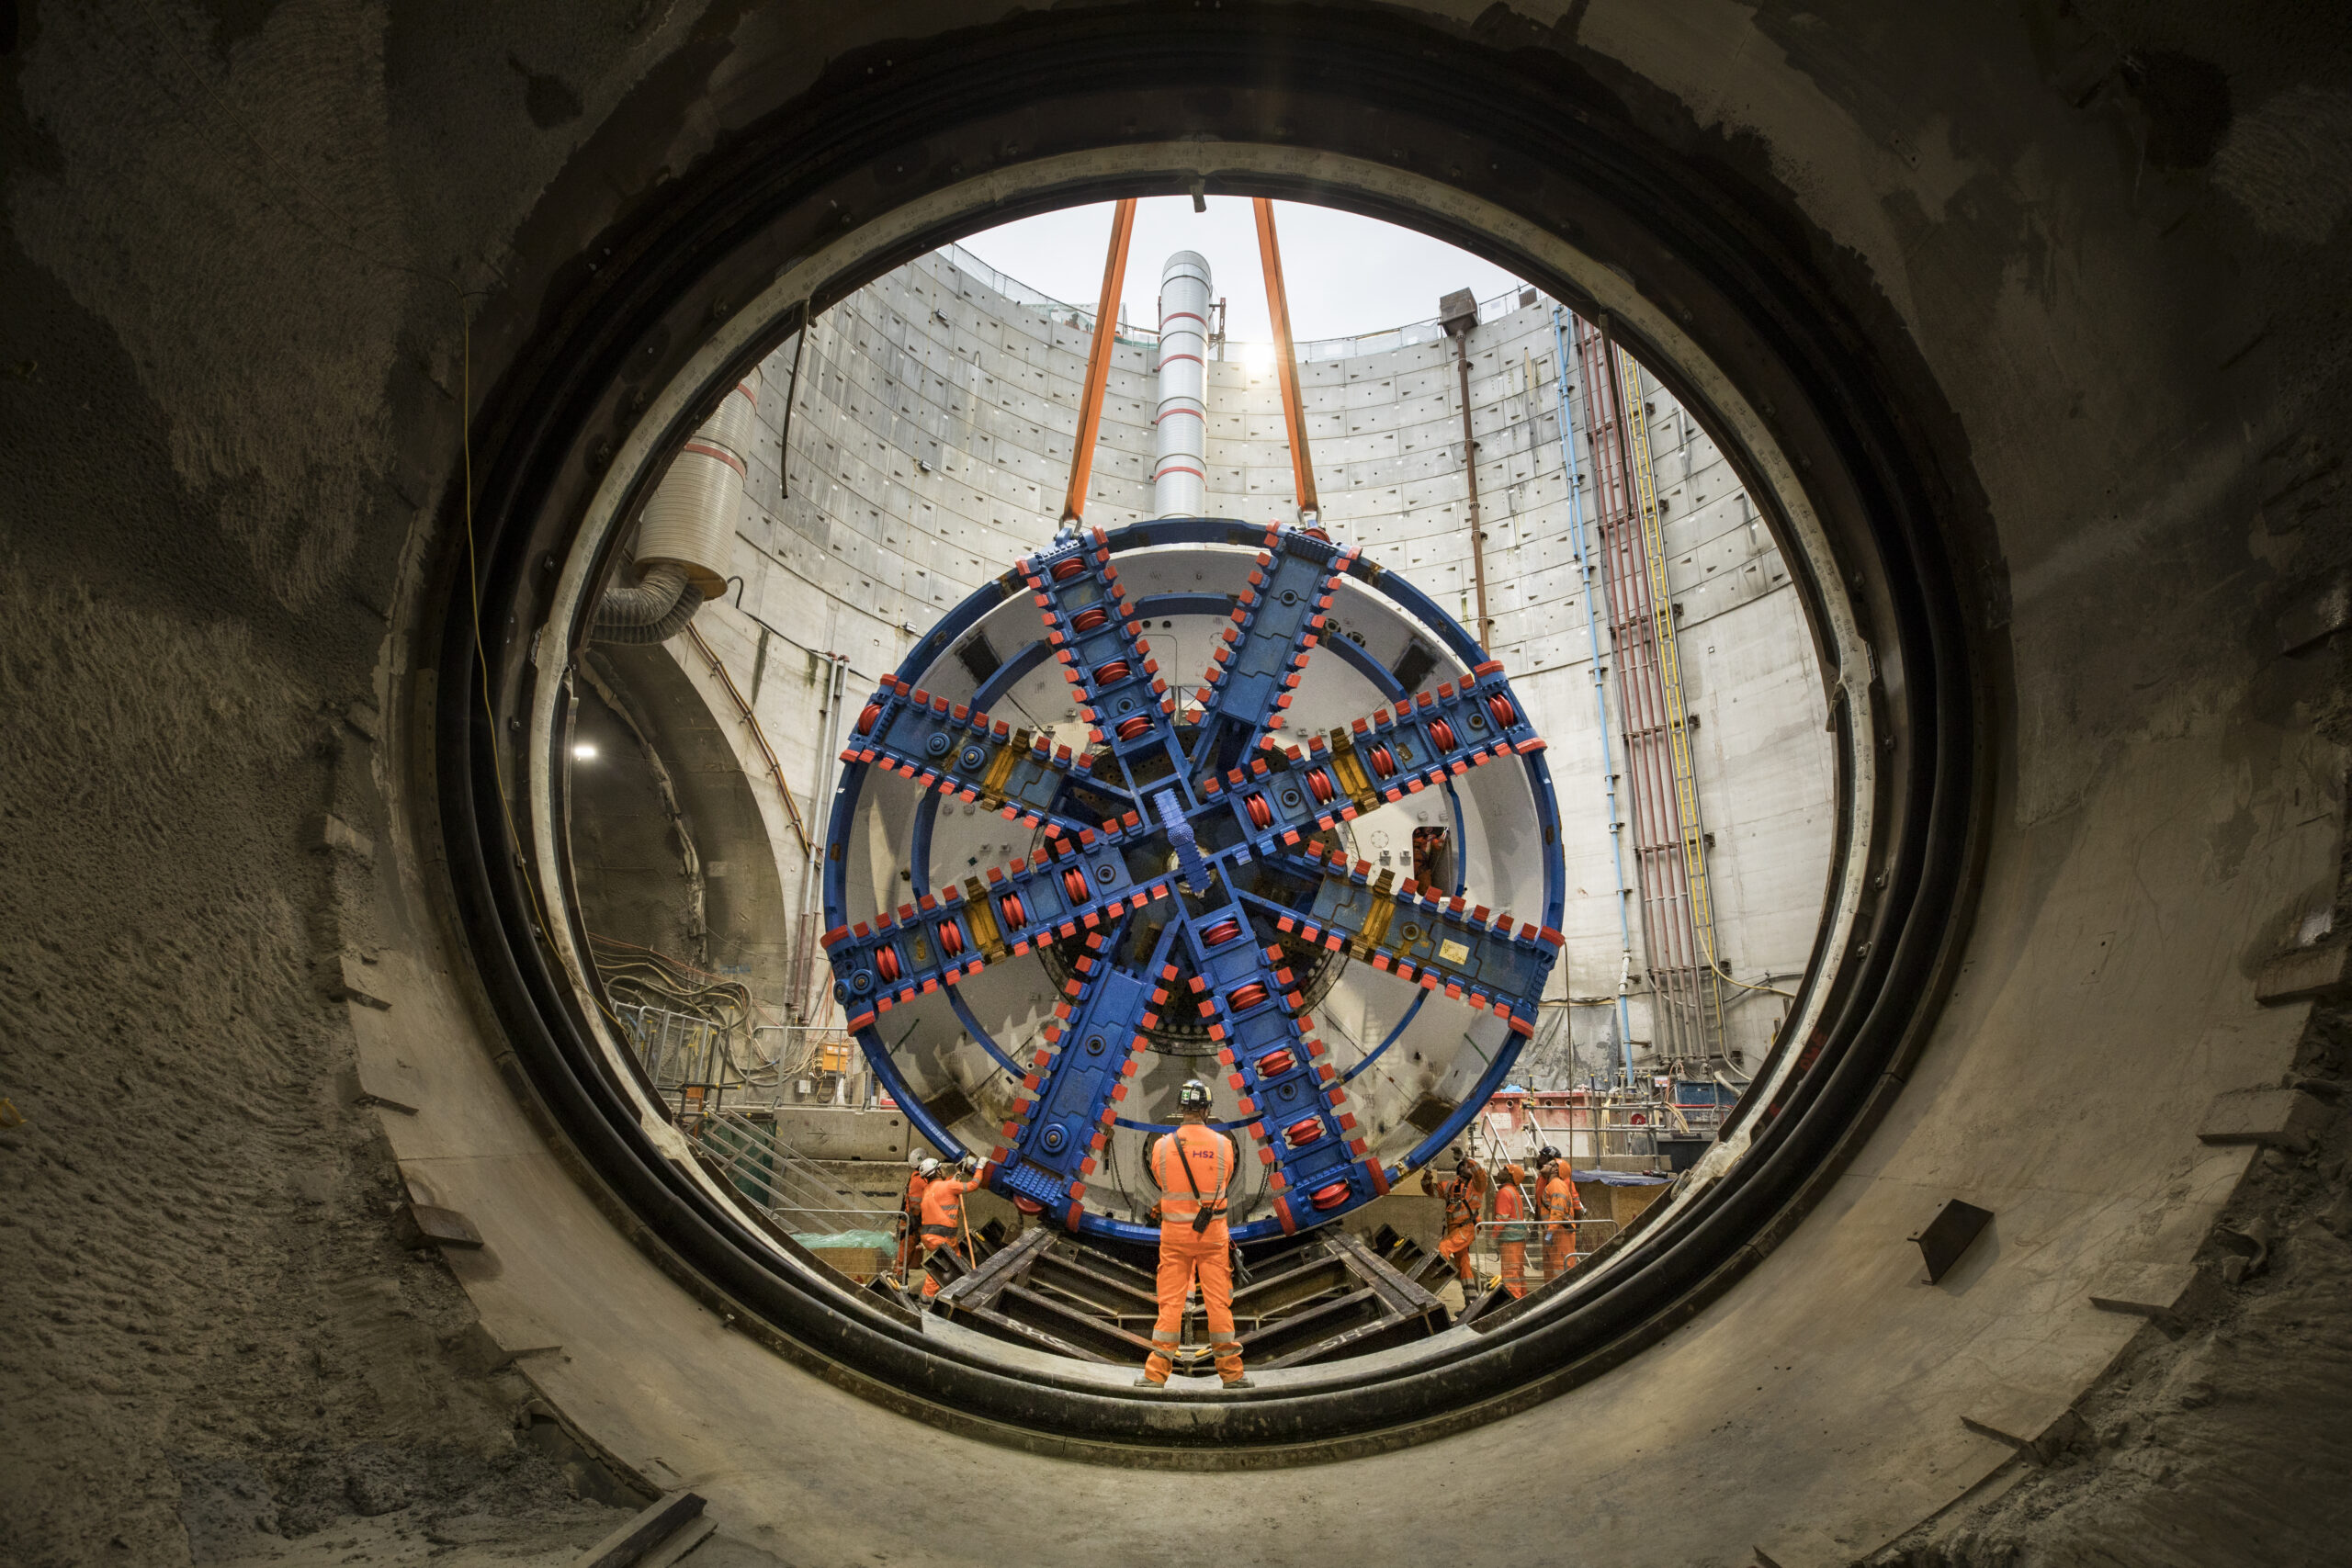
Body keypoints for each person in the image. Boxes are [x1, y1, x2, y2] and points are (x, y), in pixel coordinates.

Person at [1138, 1079, 1249, 1389]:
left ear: (1181, 1109)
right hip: (1212, 1238)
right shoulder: (1223, 1146)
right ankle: (1232, 1375)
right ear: (1207, 1109)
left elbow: (1164, 1184)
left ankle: (1155, 1375)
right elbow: (1224, 1182)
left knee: (1170, 1305)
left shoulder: (1161, 1147)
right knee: (1218, 1305)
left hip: (1174, 1240)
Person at [915, 1155, 987, 1299]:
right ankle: (928, 1297)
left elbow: (945, 1187)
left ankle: (952, 1290)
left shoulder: (928, 1190)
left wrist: (957, 1175)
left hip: (928, 1236)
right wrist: (980, 1167)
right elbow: (974, 1185)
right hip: (944, 1236)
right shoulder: (948, 1186)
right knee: (947, 1264)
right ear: (938, 1172)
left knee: (947, 1262)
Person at [1420, 1146, 1488, 1290]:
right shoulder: (1449, 1186)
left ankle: (1427, 1286)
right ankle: (1471, 1300)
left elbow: (1480, 1173)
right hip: (1454, 1230)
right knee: (1463, 1263)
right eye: (1466, 1165)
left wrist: (1466, 1158)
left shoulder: (1477, 1185)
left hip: (1468, 1227)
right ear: (1460, 1169)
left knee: (1443, 1247)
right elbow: (1429, 1189)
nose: (1470, 1167)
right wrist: (1428, 1170)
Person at [1539, 1150, 1585, 1281]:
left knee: (1562, 1267)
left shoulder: (1557, 1185)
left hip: (1560, 1233)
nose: (1546, 1165)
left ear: (1555, 1170)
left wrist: (1550, 1232)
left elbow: (1557, 1212)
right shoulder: (1554, 1184)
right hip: (1558, 1233)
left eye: (1550, 1164)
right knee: (1558, 1266)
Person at [1492, 1162, 1533, 1299]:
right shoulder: (1513, 1192)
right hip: (1517, 1240)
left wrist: (1493, 1238)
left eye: (1505, 1170)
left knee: (1510, 1275)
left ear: (1510, 1176)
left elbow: (1502, 1218)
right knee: (1518, 1273)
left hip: (1510, 1241)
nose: (1501, 1171)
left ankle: (1513, 1302)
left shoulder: (1504, 1192)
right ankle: (1521, 1300)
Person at [897, 1156, 940, 1280]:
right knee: (905, 1252)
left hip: (913, 1221)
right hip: (913, 1222)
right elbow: (916, 1207)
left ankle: (901, 1278)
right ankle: (899, 1280)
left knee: (905, 1252)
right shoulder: (919, 1180)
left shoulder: (914, 1177)